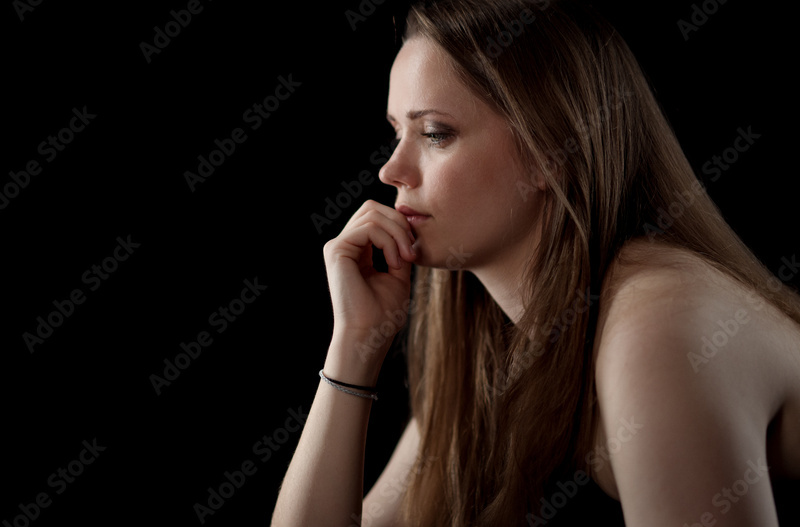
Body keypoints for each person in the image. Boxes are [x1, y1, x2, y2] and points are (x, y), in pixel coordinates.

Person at [270, 0, 800, 525]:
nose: (391, 170)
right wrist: (352, 346)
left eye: (434, 133)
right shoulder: (495, 342)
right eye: (396, 132)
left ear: (553, 148)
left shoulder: (659, 323)